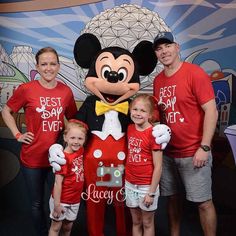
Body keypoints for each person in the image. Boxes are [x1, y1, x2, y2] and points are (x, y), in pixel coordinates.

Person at [1, 47, 77, 236]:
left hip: (57, 159)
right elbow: (6, 111)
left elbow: (74, 121)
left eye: (52, 64)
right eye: (44, 64)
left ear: (58, 66)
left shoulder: (66, 92)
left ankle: (57, 230)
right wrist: (18, 134)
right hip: (32, 158)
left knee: (57, 200)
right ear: (37, 66)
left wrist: (71, 141)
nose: (48, 68)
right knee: (36, 203)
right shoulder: (27, 89)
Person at [152, 31, 218, 236]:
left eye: (167, 46)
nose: (164, 51)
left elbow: (211, 110)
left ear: (177, 47)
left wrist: (204, 147)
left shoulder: (194, 73)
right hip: (169, 154)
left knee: (203, 202)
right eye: (159, 49)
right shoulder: (158, 81)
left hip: (194, 152)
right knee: (172, 199)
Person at [125, 94, 163, 236]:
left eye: (142, 111)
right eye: (135, 109)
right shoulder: (130, 129)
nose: (138, 113)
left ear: (150, 114)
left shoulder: (154, 134)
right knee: (136, 222)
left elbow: (158, 166)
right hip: (130, 184)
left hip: (146, 186)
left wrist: (151, 193)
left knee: (147, 223)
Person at [49, 119, 87, 236]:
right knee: (56, 227)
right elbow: (57, 183)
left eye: (80, 139)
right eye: (72, 138)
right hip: (61, 200)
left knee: (68, 227)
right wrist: (57, 205)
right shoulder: (63, 159)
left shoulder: (80, 150)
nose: (76, 142)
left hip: (74, 200)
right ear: (65, 138)